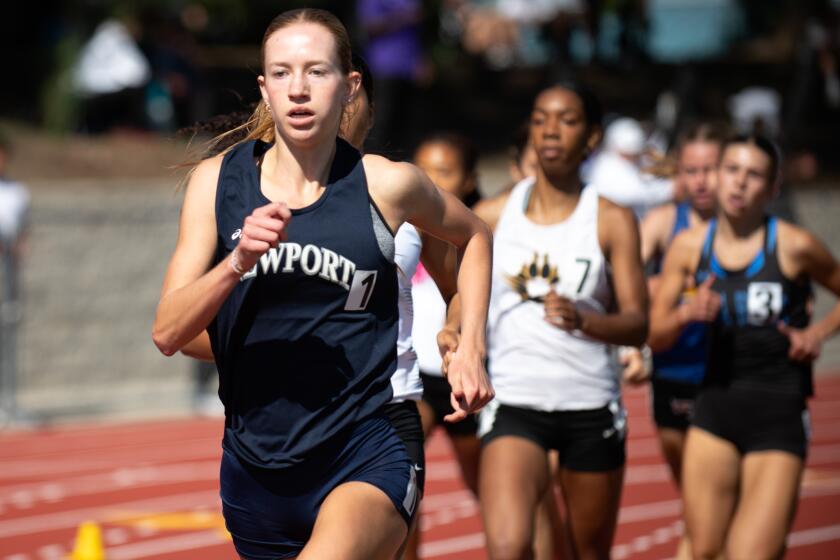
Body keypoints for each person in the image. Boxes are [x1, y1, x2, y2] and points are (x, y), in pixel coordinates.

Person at [152, 9, 493, 559]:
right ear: (264, 89)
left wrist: (470, 343)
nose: (300, 90)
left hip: (369, 445)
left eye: (317, 72)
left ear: (350, 85)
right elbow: (168, 332)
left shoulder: (388, 184)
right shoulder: (216, 183)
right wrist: (236, 262)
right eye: (282, 74)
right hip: (257, 465)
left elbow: (475, 236)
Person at [469, 82, 648, 560]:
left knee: (586, 551)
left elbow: (637, 323)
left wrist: (584, 321)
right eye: (541, 117)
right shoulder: (492, 215)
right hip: (514, 402)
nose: (550, 130)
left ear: (591, 138)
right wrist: (454, 331)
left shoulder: (611, 220)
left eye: (566, 120)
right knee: (508, 546)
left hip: (589, 404)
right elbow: (460, 293)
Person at [649, 134, 840, 559]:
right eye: (731, 170)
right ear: (717, 177)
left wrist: (817, 334)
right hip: (714, 411)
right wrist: (685, 314)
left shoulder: (793, 245)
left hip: (779, 416)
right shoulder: (688, 248)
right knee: (702, 551)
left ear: (772, 189)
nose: (738, 183)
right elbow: (655, 335)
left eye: (753, 175)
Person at [636, 122, 725, 559]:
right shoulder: (664, 222)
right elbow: (619, 285)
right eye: (692, 170)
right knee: (696, 502)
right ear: (679, 174)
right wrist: (665, 293)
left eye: (711, 169)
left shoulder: (750, 228)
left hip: (731, 379)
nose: (702, 180)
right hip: (673, 372)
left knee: (717, 507)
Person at [0, 134, 30, 421]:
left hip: (7, 273)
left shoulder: (17, 192)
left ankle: (8, 400)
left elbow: (22, 234)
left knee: (8, 336)